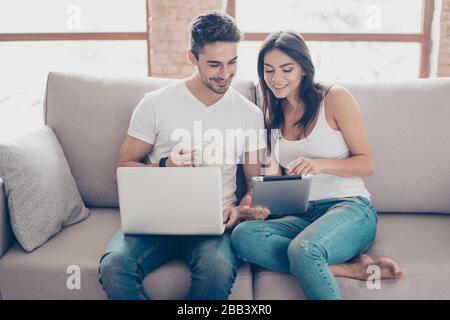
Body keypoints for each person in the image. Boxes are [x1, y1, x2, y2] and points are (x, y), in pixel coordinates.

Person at [98, 11, 267, 300]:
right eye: (214, 64)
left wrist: (240, 209)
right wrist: (166, 166)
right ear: (192, 57)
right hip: (154, 220)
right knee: (114, 267)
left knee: (217, 269)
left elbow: (256, 184)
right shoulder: (155, 104)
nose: (225, 74)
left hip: (214, 223)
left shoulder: (249, 114)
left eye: (232, 62)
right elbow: (121, 170)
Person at [231, 31, 404, 300]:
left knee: (304, 249)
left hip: (349, 207)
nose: (277, 79)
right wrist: (259, 202)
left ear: (303, 68)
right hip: (302, 214)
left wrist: (321, 164)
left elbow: (366, 163)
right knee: (243, 236)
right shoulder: (271, 113)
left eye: (286, 69)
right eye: (269, 70)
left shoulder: (334, 98)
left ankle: (314, 260)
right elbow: (276, 175)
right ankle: (348, 269)